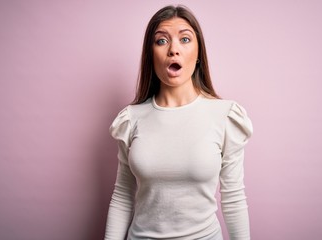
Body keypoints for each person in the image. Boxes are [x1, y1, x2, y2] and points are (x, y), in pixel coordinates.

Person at [105, 5, 253, 240]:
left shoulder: (225, 116)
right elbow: (123, 195)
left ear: (198, 54)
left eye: (185, 39)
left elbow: (233, 198)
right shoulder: (130, 119)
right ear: (150, 55)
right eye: (162, 41)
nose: (174, 49)